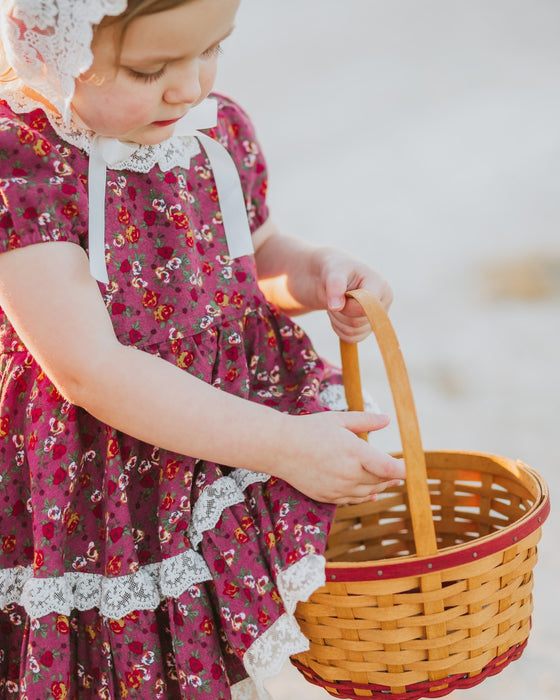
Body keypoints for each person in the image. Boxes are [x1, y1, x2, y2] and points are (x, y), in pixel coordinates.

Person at [0, 0, 405, 697]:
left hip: (216, 448)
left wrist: (313, 273)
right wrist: (283, 446)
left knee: (206, 657)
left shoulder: (213, 128)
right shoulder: (26, 161)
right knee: (121, 668)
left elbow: (254, 256)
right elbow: (89, 370)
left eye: (212, 48)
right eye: (149, 68)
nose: (189, 87)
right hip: (105, 483)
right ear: (49, 47)